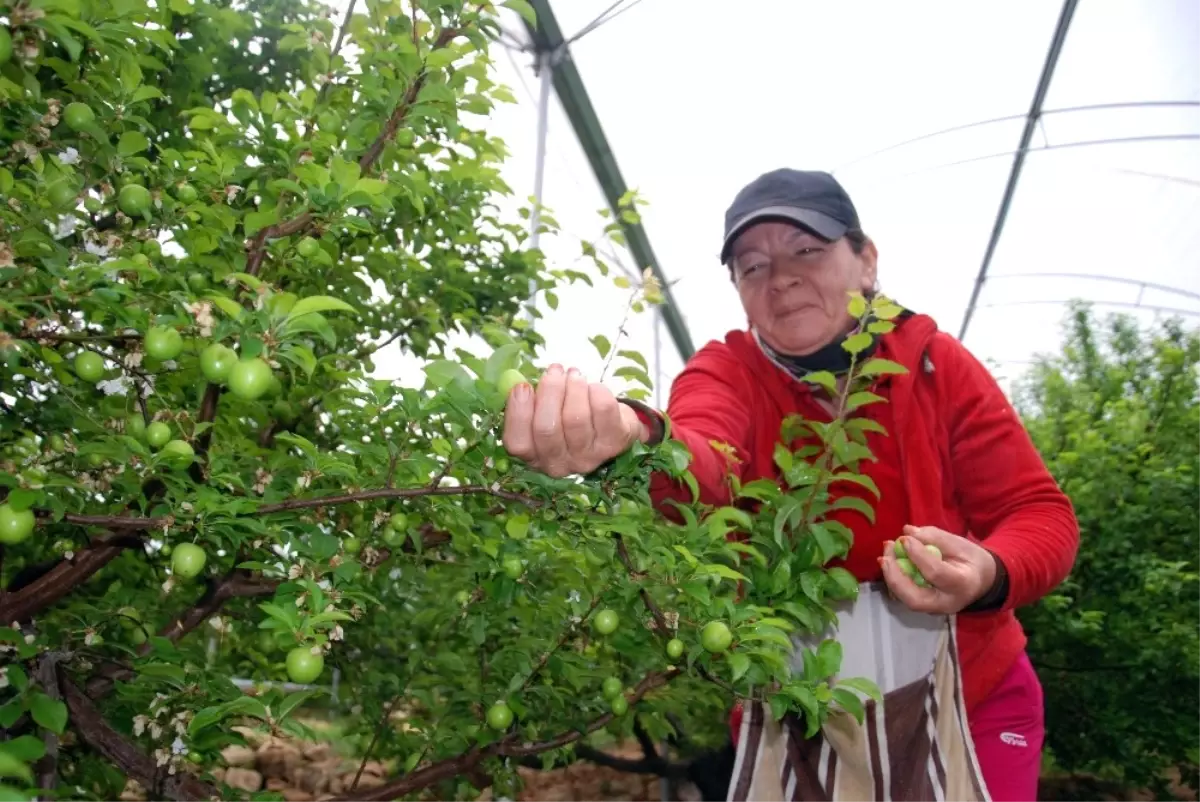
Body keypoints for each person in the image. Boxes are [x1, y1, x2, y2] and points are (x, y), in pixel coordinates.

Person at [501, 168, 1079, 801]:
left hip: (970, 694)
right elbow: (706, 457)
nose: (780, 278)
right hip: (794, 712)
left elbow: (1038, 512)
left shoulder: (934, 365)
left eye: (807, 249)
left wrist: (991, 572)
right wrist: (637, 438)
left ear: (866, 261)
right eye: (751, 267)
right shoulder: (728, 372)